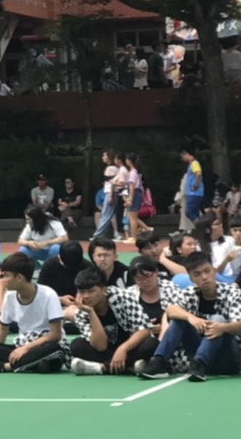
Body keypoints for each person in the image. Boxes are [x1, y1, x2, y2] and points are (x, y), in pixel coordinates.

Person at [140, 252, 241, 381]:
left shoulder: (233, 293)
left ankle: (200, 363)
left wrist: (222, 328)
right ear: (191, 279)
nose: (204, 277)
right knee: (179, 319)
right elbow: (171, 310)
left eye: (207, 271)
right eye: (197, 274)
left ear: (214, 271)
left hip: (228, 358)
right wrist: (191, 318)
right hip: (197, 356)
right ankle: (158, 362)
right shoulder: (189, 293)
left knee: (217, 319)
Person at [0, 254, 67, 373]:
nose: (3, 280)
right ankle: (32, 364)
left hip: (45, 345)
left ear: (19, 277)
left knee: (54, 349)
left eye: (6, 275)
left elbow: (56, 335)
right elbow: (3, 328)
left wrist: (26, 348)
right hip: (22, 345)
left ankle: (6, 366)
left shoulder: (49, 295)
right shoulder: (9, 297)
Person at [68, 267, 158, 376]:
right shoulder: (81, 312)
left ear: (104, 290)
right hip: (106, 352)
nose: (86, 296)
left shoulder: (122, 297)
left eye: (91, 291)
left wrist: (123, 349)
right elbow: (100, 346)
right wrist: (91, 312)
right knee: (77, 345)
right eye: (82, 292)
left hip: (130, 347)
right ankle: (129, 367)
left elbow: (144, 330)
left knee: (151, 344)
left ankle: (101, 367)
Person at [179, 149, 207, 231]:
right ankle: (202, 229)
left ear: (187, 154)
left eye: (182, 157)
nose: (183, 159)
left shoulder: (194, 163)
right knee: (195, 213)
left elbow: (198, 174)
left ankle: (201, 229)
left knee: (189, 212)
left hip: (194, 193)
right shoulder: (192, 164)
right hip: (193, 193)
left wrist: (195, 186)